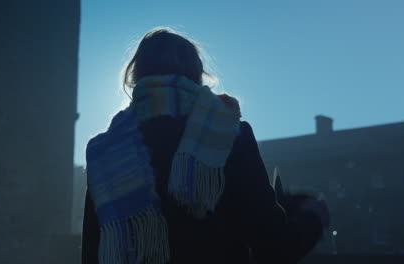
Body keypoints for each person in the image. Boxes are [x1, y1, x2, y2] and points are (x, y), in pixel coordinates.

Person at [81, 27, 330, 264]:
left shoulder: (104, 153)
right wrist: (313, 215)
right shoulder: (229, 135)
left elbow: (92, 256)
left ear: (136, 77)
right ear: (196, 75)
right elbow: (275, 248)